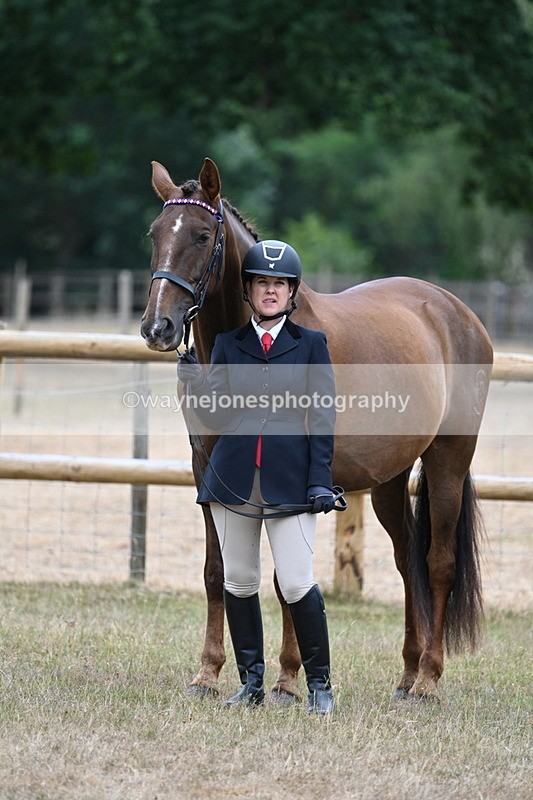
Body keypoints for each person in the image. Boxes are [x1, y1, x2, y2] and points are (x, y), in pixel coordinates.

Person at [177, 240, 338, 715]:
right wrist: (193, 383)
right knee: (241, 582)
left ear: (292, 294)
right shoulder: (229, 344)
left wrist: (320, 481)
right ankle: (250, 684)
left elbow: (323, 420)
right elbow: (216, 416)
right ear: (248, 291)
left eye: (280, 284)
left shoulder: (311, 345)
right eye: (262, 283)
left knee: (296, 582)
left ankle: (320, 686)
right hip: (233, 480)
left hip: (291, 481)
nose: (270, 291)